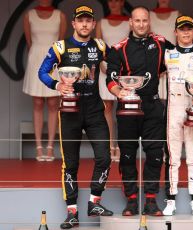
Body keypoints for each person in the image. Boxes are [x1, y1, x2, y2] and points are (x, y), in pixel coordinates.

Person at [106, 6, 193, 216]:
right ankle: (131, 200)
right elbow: (111, 79)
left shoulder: (161, 43)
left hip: (152, 106)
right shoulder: (118, 48)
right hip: (127, 108)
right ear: (130, 23)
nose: (141, 24)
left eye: (145, 20)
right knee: (127, 155)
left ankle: (151, 199)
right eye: (137, 21)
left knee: (154, 154)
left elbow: (181, 52)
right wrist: (120, 93)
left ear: (149, 22)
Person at [38, 5, 113, 229]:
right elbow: (42, 71)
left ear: (93, 24)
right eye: (80, 20)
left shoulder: (100, 46)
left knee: (104, 157)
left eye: (88, 21)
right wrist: (57, 84)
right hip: (70, 110)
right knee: (70, 163)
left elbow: (118, 62)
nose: (84, 24)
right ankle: (72, 212)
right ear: (73, 24)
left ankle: (94, 202)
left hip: (94, 109)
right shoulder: (60, 47)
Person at [163, 15, 193, 216]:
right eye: (181, 29)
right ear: (175, 32)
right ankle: (170, 198)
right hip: (173, 109)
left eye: (189, 29)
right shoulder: (166, 54)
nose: (185, 32)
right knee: (172, 157)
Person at [23, 0, 67, 161]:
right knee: (37, 103)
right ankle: (38, 147)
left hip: (53, 58)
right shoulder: (28, 15)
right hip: (35, 58)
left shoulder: (60, 16)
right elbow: (29, 42)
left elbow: (61, 43)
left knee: (53, 104)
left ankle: (50, 147)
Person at [96, 0, 130, 162]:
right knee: (107, 107)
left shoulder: (129, 22)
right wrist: (102, 63)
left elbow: (132, 46)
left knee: (124, 107)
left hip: (124, 69)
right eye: (111, 0)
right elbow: (97, 46)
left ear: (122, 2)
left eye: (117, 0)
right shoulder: (101, 23)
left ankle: (123, 147)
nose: (113, 3)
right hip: (105, 69)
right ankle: (111, 145)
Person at [150, 0, 180, 102]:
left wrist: (169, 63)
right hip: (154, 64)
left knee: (172, 101)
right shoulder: (149, 15)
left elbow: (180, 43)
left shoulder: (178, 15)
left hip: (173, 63)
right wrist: (158, 66)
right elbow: (148, 40)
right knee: (154, 102)